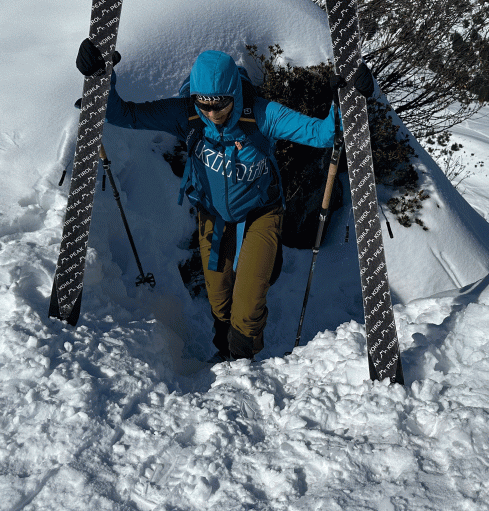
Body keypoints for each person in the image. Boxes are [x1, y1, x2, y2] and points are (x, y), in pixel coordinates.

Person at [76, 40, 372, 361]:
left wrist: (350, 100)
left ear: (236, 94)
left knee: (246, 307)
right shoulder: (186, 115)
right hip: (213, 216)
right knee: (220, 301)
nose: (212, 113)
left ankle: (241, 360)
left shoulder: (261, 115)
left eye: (221, 104)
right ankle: (225, 349)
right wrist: (99, 78)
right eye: (204, 105)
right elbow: (126, 115)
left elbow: (322, 133)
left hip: (262, 213)